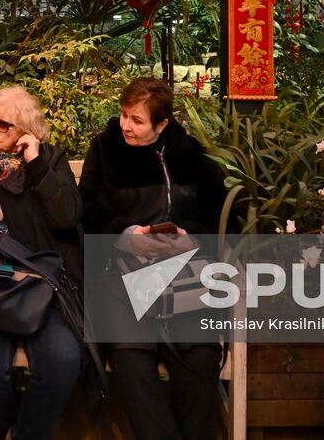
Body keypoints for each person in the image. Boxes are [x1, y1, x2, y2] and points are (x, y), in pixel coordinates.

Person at [79, 77, 228, 440]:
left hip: (184, 273)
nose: (125, 125)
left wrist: (189, 235)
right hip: (119, 276)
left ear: (162, 124)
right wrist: (125, 236)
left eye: (137, 120)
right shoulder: (104, 148)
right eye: (124, 115)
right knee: (131, 360)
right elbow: (87, 208)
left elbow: (219, 207)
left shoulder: (188, 151)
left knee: (199, 357)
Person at [0, 86, 84, 440]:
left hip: (41, 284)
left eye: (3, 124)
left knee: (63, 360)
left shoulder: (49, 160)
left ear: (26, 130)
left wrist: (36, 166)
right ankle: (14, 425)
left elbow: (67, 219)